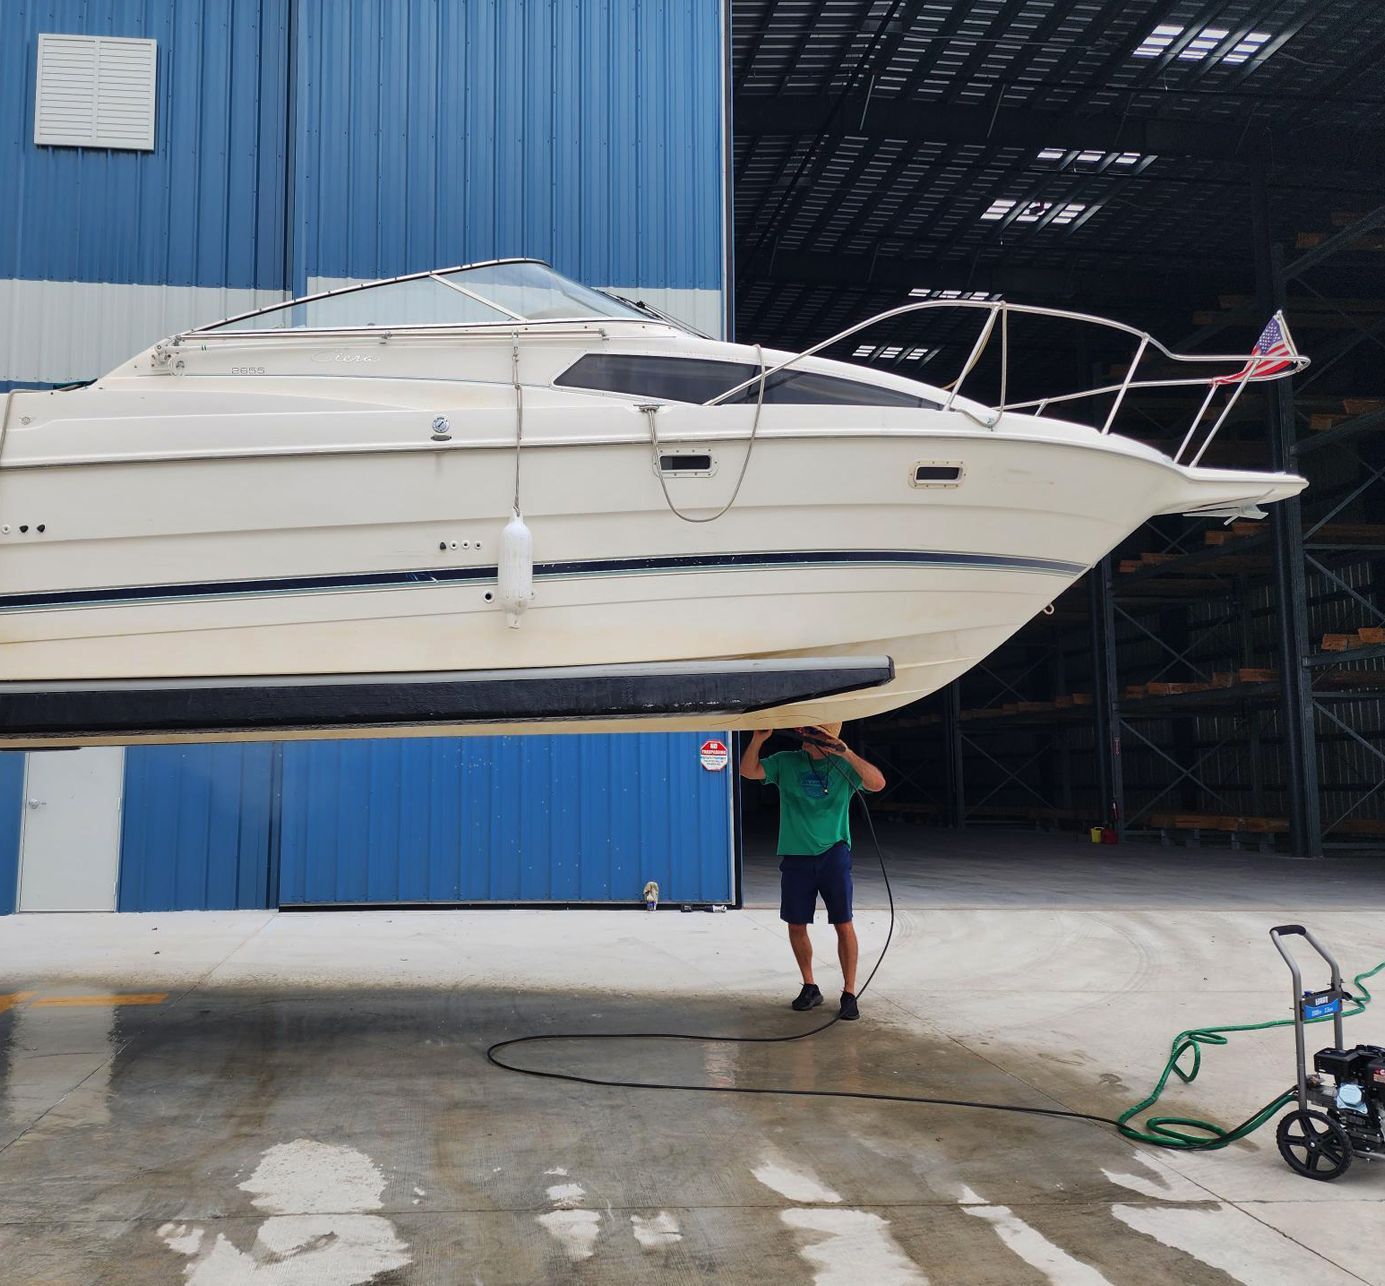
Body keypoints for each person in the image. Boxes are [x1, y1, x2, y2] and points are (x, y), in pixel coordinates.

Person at [740, 723, 885, 1021]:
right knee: (796, 924)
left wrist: (846, 753)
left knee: (843, 923)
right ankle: (810, 986)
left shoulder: (843, 767)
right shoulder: (786, 761)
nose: (804, 736)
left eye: (813, 733)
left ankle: (849, 993)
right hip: (796, 855)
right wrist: (757, 740)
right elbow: (748, 771)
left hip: (834, 854)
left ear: (828, 738)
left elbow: (877, 783)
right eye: (805, 731)